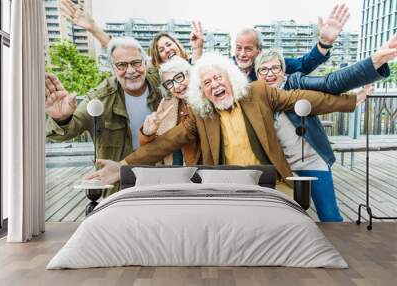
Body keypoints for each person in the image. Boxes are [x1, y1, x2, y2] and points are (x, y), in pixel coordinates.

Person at [86, 53, 367, 191]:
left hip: (271, 182)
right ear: (202, 92)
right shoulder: (202, 115)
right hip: (227, 185)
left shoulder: (258, 92)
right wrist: (123, 166)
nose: (214, 84)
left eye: (218, 77)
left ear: (230, 78)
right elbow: (166, 143)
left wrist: (350, 102)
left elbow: (302, 97)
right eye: (207, 82)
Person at [253, 34, 397, 220]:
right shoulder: (255, 97)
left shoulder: (296, 82)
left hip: (311, 160)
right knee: (285, 218)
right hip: (280, 166)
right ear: (257, 75)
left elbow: (330, 82)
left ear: (283, 70)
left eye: (275, 67)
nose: (270, 74)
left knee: (330, 216)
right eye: (263, 70)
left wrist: (375, 61)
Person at [45, 37, 162, 196]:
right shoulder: (99, 98)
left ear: (145, 63)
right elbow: (70, 129)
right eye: (121, 65)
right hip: (120, 185)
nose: (131, 71)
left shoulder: (160, 86)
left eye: (135, 62)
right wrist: (61, 118)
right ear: (113, 68)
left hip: (159, 178)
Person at [60, 0, 204, 67]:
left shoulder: (195, 63)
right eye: (161, 49)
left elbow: (198, 72)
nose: (167, 49)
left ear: (177, 46)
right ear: (159, 58)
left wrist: (197, 49)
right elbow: (121, 50)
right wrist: (93, 28)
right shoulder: (157, 74)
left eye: (168, 44)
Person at [234, 4, 350, 81]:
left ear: (259, 51)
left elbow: (304, 65)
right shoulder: (225, 68)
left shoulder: (272, 64)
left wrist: (324, 43)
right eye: (238, 48)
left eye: (248, 49)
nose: (242, 54)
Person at [139, 56, 200, 166]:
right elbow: (155, 150)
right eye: (169, 83)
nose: (176, 86)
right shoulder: (167, 106)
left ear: (189, 74)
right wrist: (148, 134)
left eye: (179, 77)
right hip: (173, 173)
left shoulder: (206, 102)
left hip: (201, 173)